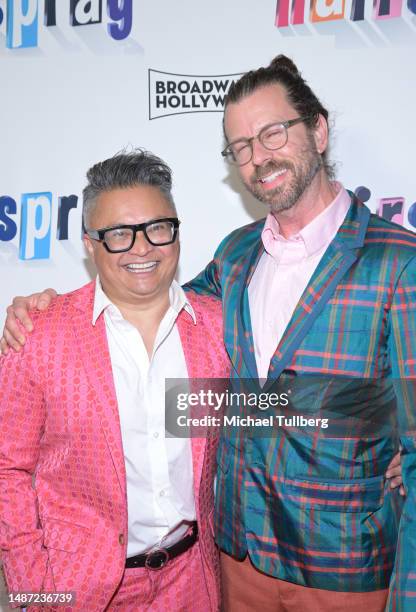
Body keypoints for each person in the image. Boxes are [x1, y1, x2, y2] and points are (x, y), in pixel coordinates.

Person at [0, 57, 409, 611]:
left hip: (338, 568)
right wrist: (37, 306)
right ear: (91, 243)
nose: (258, 156)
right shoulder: (235, 258)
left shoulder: (399, 262)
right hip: (233, 567)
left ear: (317, 128)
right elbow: (142, 287)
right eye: (240, 146)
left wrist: (385, 441)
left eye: (272, 133)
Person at [0, 150, 229, 611]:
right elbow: (7, 467)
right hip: (74, 590)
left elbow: (276, 416)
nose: (142, 248)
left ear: (176, 232)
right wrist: (32, 590)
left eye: (158, 228)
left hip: (194, 583)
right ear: (90, 243)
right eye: (120, 234)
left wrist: (382, 432)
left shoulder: (220, 330)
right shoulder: (38, 334)